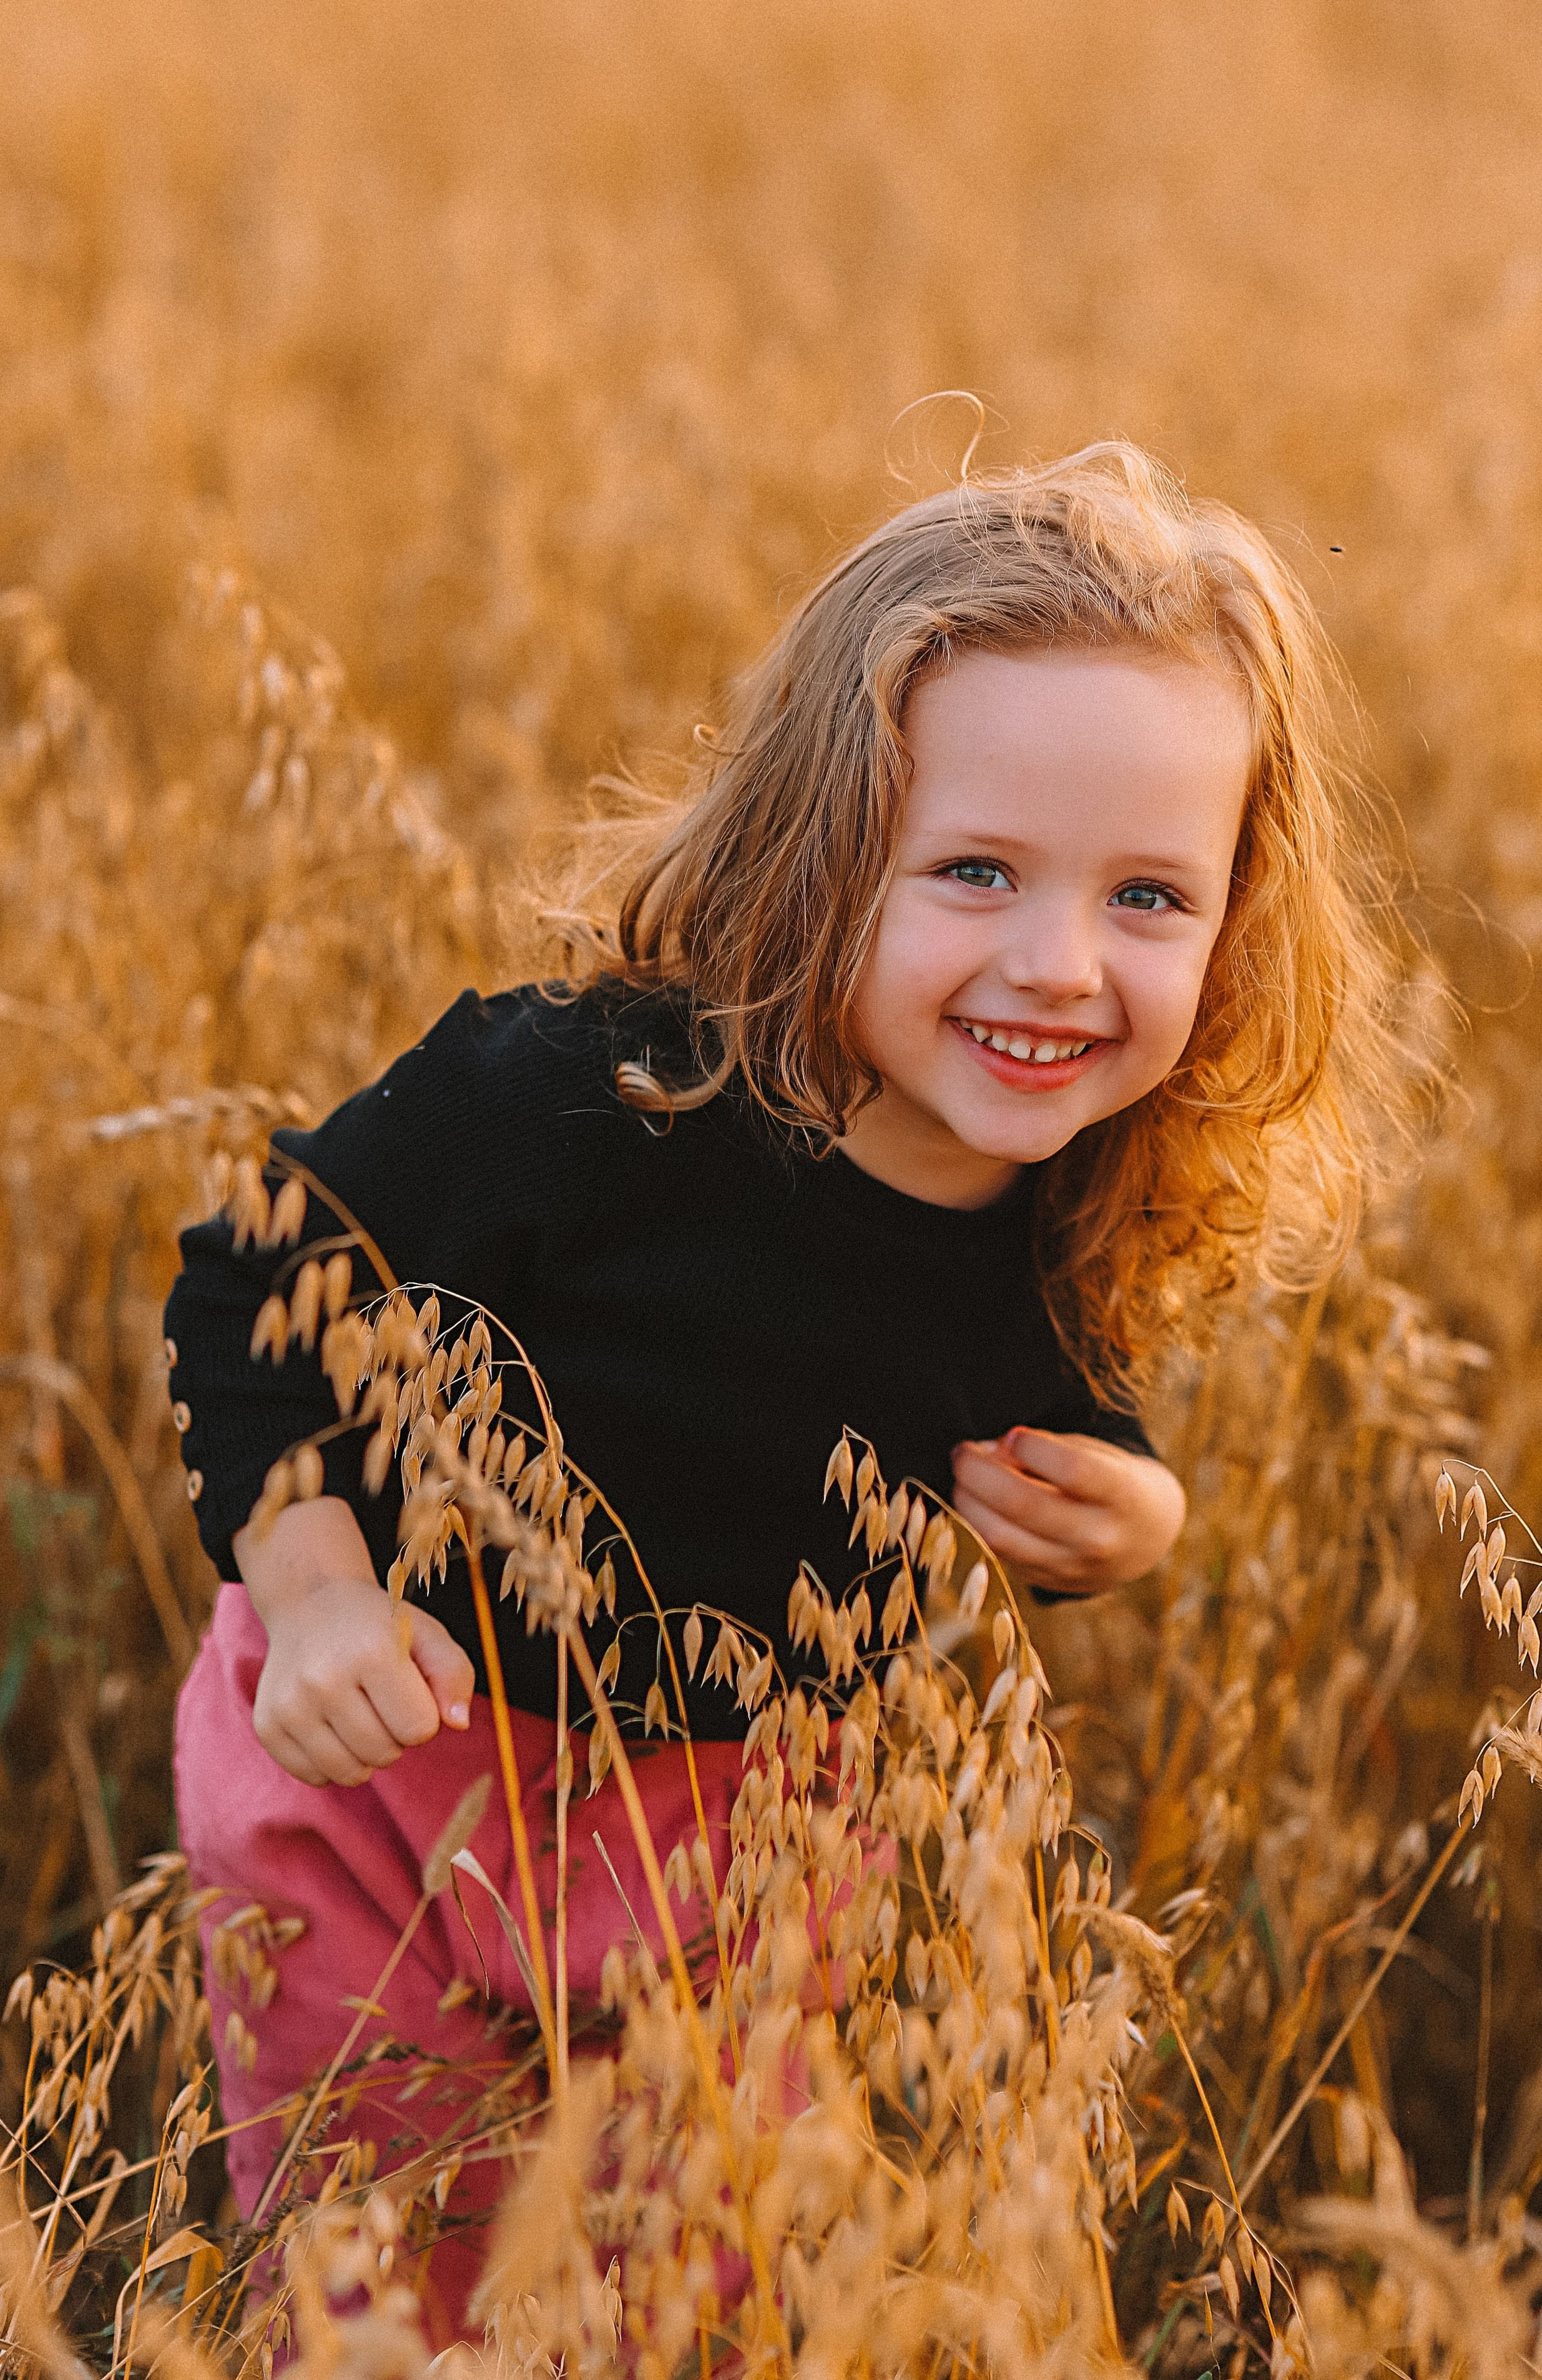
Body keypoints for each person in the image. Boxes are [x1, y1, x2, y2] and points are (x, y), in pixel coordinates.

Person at [165, 441, 1407, 2331]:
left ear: (1239, 917)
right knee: (381, 2277)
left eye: (1152, 896)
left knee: (698, 2288)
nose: (1059, 966)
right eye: (976, 871)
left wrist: (1131, 1510)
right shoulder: (584, 1098)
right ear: (821, 854)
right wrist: (320, 1592)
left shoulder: (1080, 1189)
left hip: (748, 1843)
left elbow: (1054, 1401)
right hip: (384, 1772)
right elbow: (261, 1275)